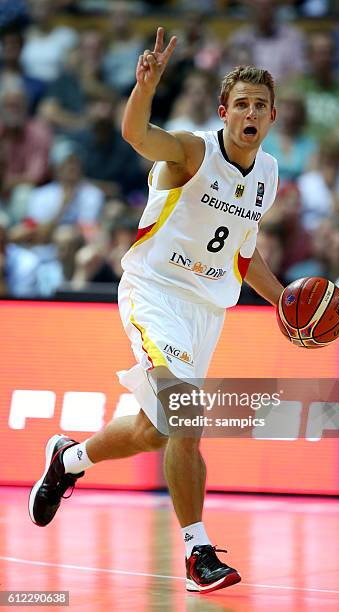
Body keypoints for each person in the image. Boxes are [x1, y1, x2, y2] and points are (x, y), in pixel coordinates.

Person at [28, 27, 283, 593]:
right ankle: (197, 553)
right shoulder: (194, 150)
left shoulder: (266, 175)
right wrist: (144, 88)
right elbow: (137, 133)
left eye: (260, 106)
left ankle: (68, 461)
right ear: (224, 111)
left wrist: (283, 299)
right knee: (186, 420)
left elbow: (244, 252)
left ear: (270, 119)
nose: (250, 112)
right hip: (155, 292)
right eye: (241, 103)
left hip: (207, 311)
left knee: (155, 430)